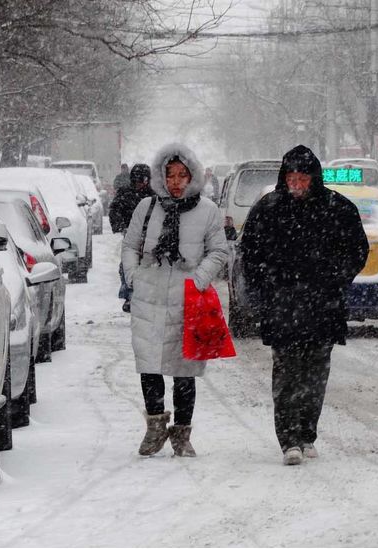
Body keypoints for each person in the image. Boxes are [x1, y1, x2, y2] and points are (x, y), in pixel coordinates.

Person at [239, 144, 368, 466]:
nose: (297, 184)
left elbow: (356, 251)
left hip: (323, 306)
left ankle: (307, 433)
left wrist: (334, 280)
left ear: (314, 178)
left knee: (314, 375)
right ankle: (288, 440)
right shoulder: (268, 210)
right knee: (285, 375)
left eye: (303, 178)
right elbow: (250, 256)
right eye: (292, 178)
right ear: (285, 178)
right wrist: (266, 290)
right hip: (282, 307)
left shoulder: (338, 209)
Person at [122, 144, 228, 457]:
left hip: (188, 301)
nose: (176, 182)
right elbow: (129, 246)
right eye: (170, 175)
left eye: (183, 175)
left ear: (193, 176)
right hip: (149, 298)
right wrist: (133, 276)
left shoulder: (207, 210)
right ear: (161, 176)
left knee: (185, 371)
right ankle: (155, 426)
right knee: (149, 365)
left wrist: (197, 279)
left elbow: (219, 251)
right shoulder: (146, 207)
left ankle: (182, 433)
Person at [109, 163, 154, 312]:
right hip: (131, 235)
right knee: (126, 265)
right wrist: (121, 226)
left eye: (143, 181)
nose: (140, 184)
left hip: (152, 236)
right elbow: (114, 210)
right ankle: (128, 293)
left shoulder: (155, 195)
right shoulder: (125, 193)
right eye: (137, 181)